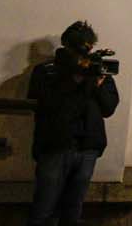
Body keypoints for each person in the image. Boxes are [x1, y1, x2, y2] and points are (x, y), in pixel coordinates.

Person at [27, 21, 120, 226]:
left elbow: (108, 108)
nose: (84, 53)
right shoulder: (48, 71)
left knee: (73, 210)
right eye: (79, 47)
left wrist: (97, 85)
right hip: (55, 146)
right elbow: (46, 105)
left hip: (87, 148)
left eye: (88, 47)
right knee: (43, 209)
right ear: (67, 46)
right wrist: (75, 79)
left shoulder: (98, 71)